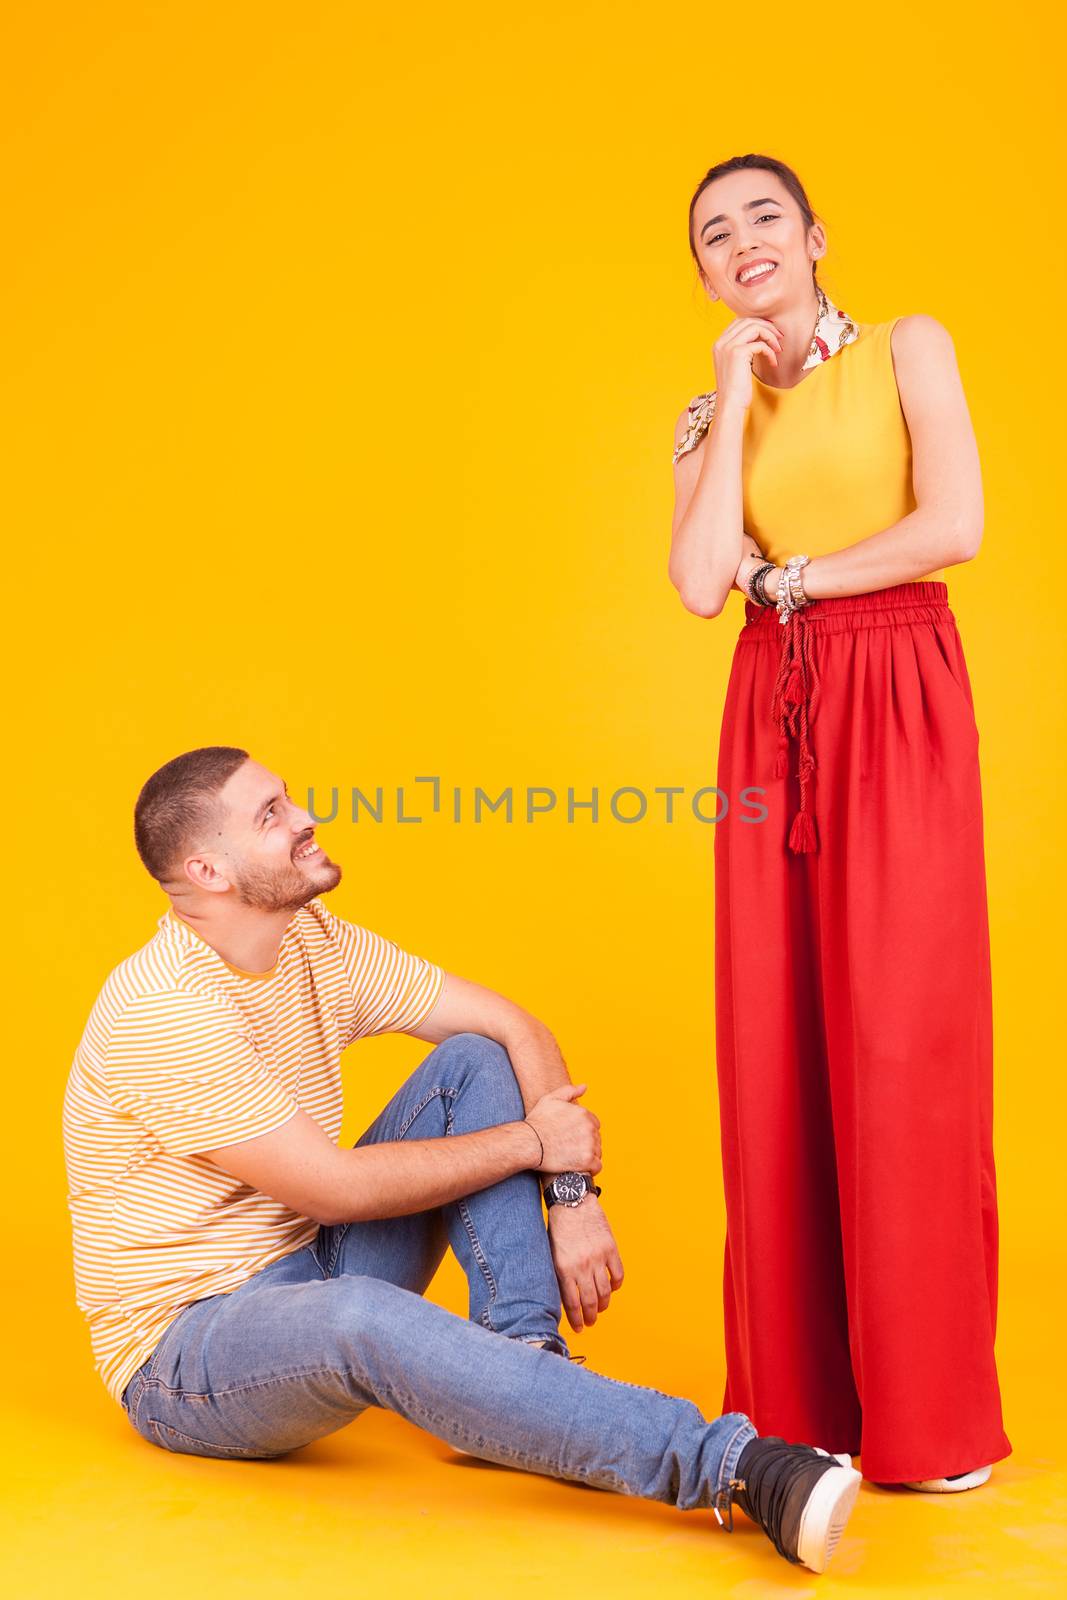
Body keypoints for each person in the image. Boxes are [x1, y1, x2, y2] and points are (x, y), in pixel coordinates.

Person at [63, 745, 861, 1573]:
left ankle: (520, 1373)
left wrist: (573, 1194)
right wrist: (531, 1143)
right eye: (270, 814)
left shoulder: (315, 942)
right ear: (208, 868)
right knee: (359, 1319)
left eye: (291, 799)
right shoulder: (164, 1012)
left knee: (475, 1061)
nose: (306, 819)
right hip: (190, 1353)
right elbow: (333, 1191)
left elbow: (514, 1028)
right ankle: (732, 1467)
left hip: (303, 1262)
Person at [669, 152, 1010, 1491]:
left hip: (897, 686)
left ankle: (925, 1422)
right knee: (775, 1031)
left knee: (900, 1031)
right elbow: (704, 585)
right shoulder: (709, 414)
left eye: (761, 217)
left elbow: (954, 523)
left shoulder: (907, 348)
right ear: (701, 276)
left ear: (813, 236)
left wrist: (799, 573)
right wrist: (722, 394)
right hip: (772, 702)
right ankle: (799, 1403)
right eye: (712, 235)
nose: (741, 241)